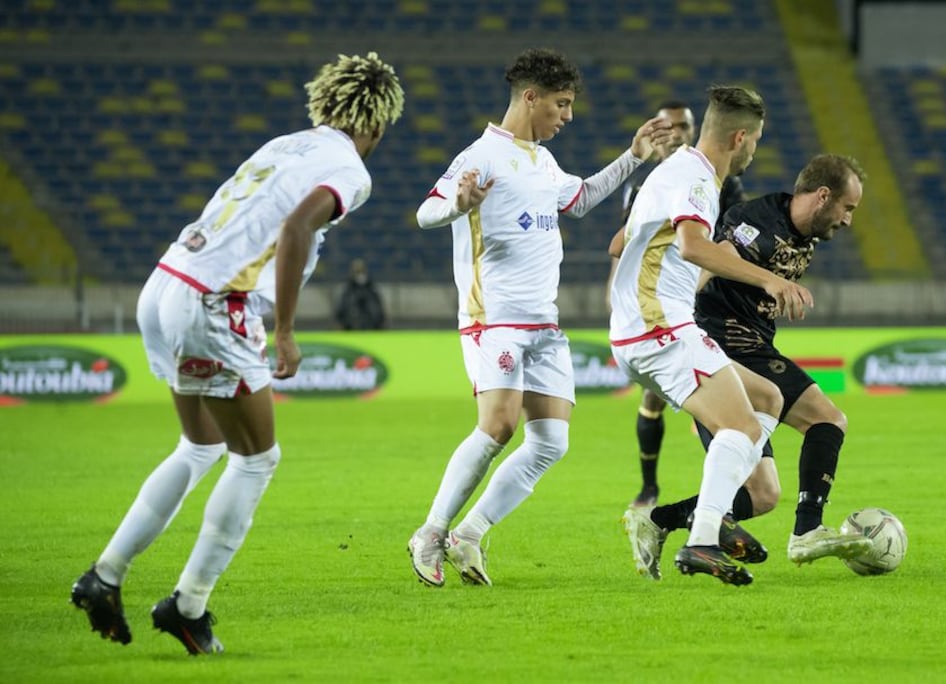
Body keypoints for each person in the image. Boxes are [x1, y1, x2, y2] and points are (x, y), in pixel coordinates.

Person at [69, 53, 404, 654]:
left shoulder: (283, 145)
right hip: (214, 301)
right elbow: (297, 228)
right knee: (256, 459)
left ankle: (105, 576)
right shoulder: (349, 169)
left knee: (200, 446)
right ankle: (188, 606)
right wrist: (286, 331)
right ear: (377, 123)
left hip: (167, 282)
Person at [408, 48, 671, 588]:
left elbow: (581, 199)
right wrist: (458, 204)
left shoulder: (542, 161)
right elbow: (426, 211)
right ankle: (431, 533)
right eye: (561, 103)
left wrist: (633, 157)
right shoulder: (481, 155)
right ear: (531, 97)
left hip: (543, 324)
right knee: (499, 426)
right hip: (495, 318)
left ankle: (469, 534)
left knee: (551, 441)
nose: (567, 115)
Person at [623, 154, 875, 579]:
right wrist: (676, 319)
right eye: (847, 208)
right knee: (827, 419)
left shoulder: (804, 233)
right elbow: (710, 259)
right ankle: (807, 532)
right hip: (722, 345)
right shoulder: (755, 222)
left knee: (762, 494)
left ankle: (657, 520)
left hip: (753, 346)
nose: (848, 220)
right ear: (822, 196)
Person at [610, 85, 814, 586]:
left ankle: (709, 514)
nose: (755, 151)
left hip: (644, 324)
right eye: (756, 141)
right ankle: (702, 539)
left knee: (766, 398)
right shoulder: (698, 178)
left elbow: (620, 243)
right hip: (660, 324)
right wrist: (770, 280)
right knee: (740, 428)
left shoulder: (670, 172)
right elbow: (693, 246)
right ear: (740, 137)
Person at [606, 100, 747, 508]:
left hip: (702, 303)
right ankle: (653, 490)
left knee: (733, 405)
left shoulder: (720, 182)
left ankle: (723, 500)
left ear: (695, 129)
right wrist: (615, 290)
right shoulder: (650, 184)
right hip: (660, 309)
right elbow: (626, 245)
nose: (676, 134)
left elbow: (728, 245)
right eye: (667, 127)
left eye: (684, 126)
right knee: (687, 405)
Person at [335, 258, 386, 330]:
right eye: (357, 271)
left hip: (371, 328)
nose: (359, 274)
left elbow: (379, 311)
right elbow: (341, 311)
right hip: (351, 328)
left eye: (361, 271)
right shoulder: (347, 291)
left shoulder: (372, 289)